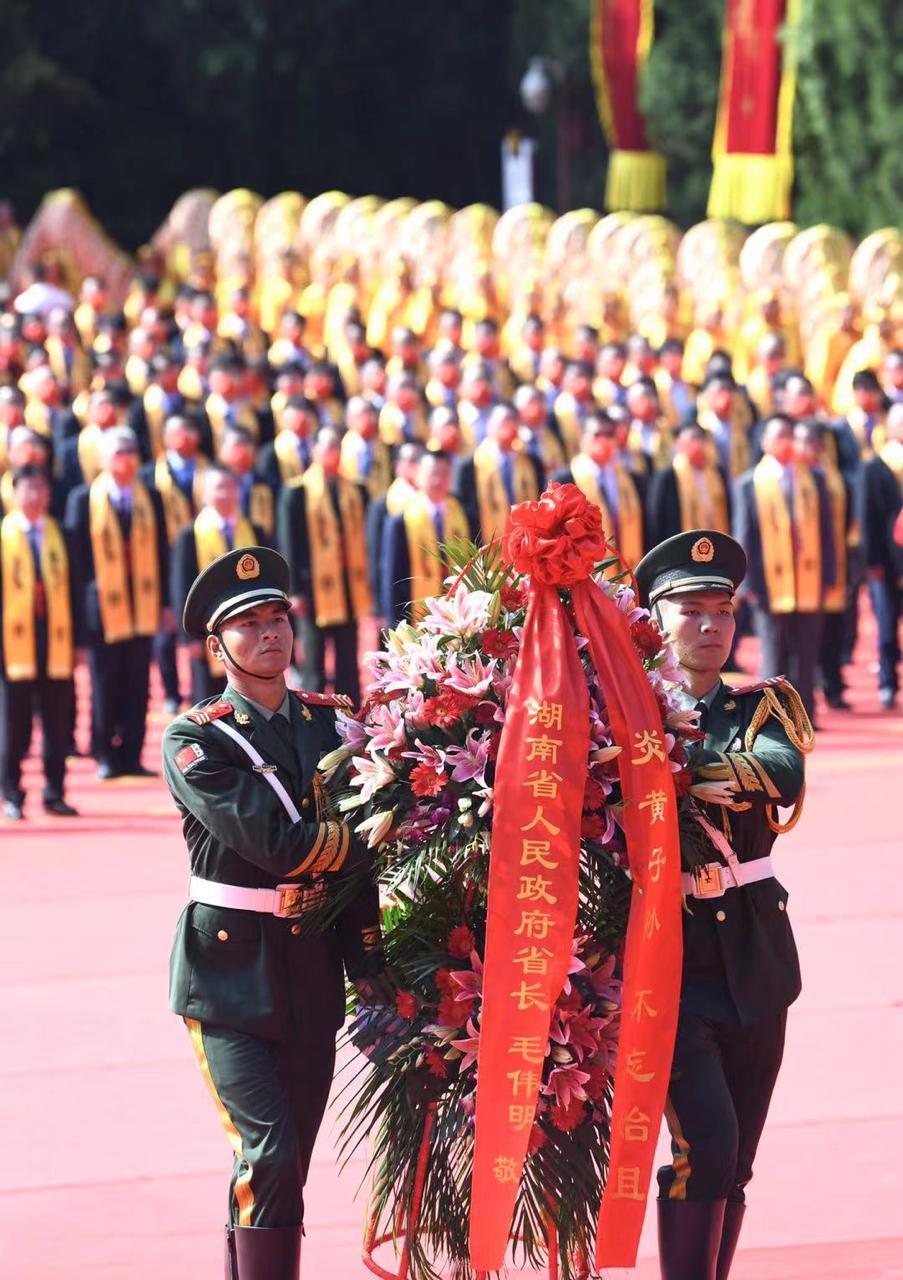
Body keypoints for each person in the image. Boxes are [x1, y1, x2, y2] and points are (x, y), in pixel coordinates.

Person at [163, 545, 393, 1280]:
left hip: (311, 969)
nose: (269, 635)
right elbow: (277, 846)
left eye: (278, 619)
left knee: (283, 1166)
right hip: (228, 975)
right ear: (215, 645)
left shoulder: (330, 726)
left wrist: (372, 969)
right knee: (268, 1150)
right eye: (248, 624)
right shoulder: (196, 738)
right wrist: (376, 830)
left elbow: (354, 875)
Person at [635, 529, 811, 1280]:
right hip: (665, 959)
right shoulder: (620, 709)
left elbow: (781, 774)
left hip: (752, 955)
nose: (709, 626)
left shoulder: (758, 706)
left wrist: (659, 760)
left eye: (721, 611)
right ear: (653, 619)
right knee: (700, 1147)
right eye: (689, 611)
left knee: (734, 1158)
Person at [65, 427, 170, 778]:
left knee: (139, 683)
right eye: (117, 453)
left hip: (142, 602)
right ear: (104, 459)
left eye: (129, 451)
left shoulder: (150, 497)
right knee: (104, 683)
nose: (124, 459)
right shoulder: (83, 499)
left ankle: (131, 753)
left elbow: (161, 553)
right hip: (101, 610)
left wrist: (167, 602)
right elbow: (76, 562)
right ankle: (103, 752)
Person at [733, 415, 836, 722]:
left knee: (807, 653)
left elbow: (827, 531)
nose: (786, 442)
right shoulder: (749, 483)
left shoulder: (813, 478)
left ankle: (805, 714)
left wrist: (830, 573)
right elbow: (745, 534)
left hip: (808, 577)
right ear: (764, 442)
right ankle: (771, 718)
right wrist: (747, 581)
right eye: (778, 436)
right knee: (773, 652)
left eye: (790, 436)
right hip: (769, 580)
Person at [0, 465, 80, 819]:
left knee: (56, 724)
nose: (35, 496)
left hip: (55, 639)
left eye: (41, 489)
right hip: (12, 643)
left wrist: (81, 641)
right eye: (27, 489)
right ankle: (11, 793)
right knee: (14, 726)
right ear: (14, 494)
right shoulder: (4, 535)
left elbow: (77, 587)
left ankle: (54, 791)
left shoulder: (61, 534)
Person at [276, 427, 372, 705]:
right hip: (313, 588)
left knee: (347, 661)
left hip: (348, 585)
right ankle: (312, 721)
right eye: (326, 446)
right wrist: (294, 591)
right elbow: (289, 544)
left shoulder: (354, 489)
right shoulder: (296, 492)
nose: (332, 453)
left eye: (336, 447)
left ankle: (352, 720)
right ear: (314, 450)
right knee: (313, 663)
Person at [172, 465, 261, 704]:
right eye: (217, 488)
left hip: (250, 632)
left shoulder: (254, 531)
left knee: (250, 697)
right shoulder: (189, 536)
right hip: (206, 633)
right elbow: (181, 588)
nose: (224, 494)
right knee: (210, 702)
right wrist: (188, 637)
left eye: (230, 487)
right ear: (204, 494)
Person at [379, 450, 472, 627]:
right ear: (419, 477)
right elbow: (392, 578)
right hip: (415, 613)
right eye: (432, 474)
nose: (438, 481)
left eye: (444, 475)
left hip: (456, 613)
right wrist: (396, 625)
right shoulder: (401, 522)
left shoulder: (465, 516)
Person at [553, 411, 645, 570]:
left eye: (609, 435)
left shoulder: (633, 480)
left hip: (629, 567)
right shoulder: (565, 480)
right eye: (597, 435)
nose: (603, 440)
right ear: (582, 438)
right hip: (585, 572)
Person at [860, 402, 903, 709]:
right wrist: (872, 561)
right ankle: (888, 682)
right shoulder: (875, 468)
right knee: (887, 627)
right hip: (887, 562)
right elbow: (868, 519)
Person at [454, 403, 543, 544]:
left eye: (512, 420)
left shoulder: (532, 463)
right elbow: (466, 514)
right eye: (503, 420)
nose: (507, 425)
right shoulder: (469, 467)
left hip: (527, 543)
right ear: (489, 425)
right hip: (487, 547)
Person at [647, 421, 731, 545]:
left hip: (715, 545)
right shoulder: (667, 477)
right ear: (678, 444)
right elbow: (656, 521)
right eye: (692, 439)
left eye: (701, 438)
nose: (697, 444)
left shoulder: (717, 473)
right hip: (679, 550)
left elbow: (729, 511)